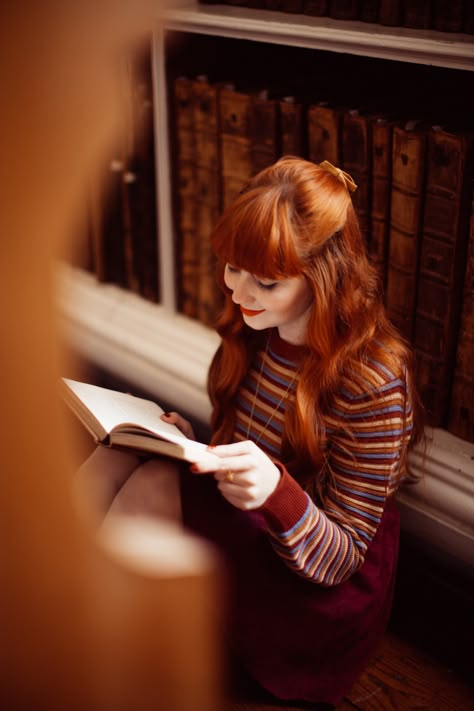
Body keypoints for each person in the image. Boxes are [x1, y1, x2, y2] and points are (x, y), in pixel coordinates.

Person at [78, 156, 422, 709]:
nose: (239, 292)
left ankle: (95, 650)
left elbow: (342, 558)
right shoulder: (255, 327)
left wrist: (278, 494)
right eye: (233, 267)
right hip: (253, 520)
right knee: (117, 454)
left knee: (152, 489)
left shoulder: (374, 380)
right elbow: (244, 448)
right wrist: (192, 442)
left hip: (315, 578)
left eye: (266, 280)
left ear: (324, 276)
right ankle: (52, 597)